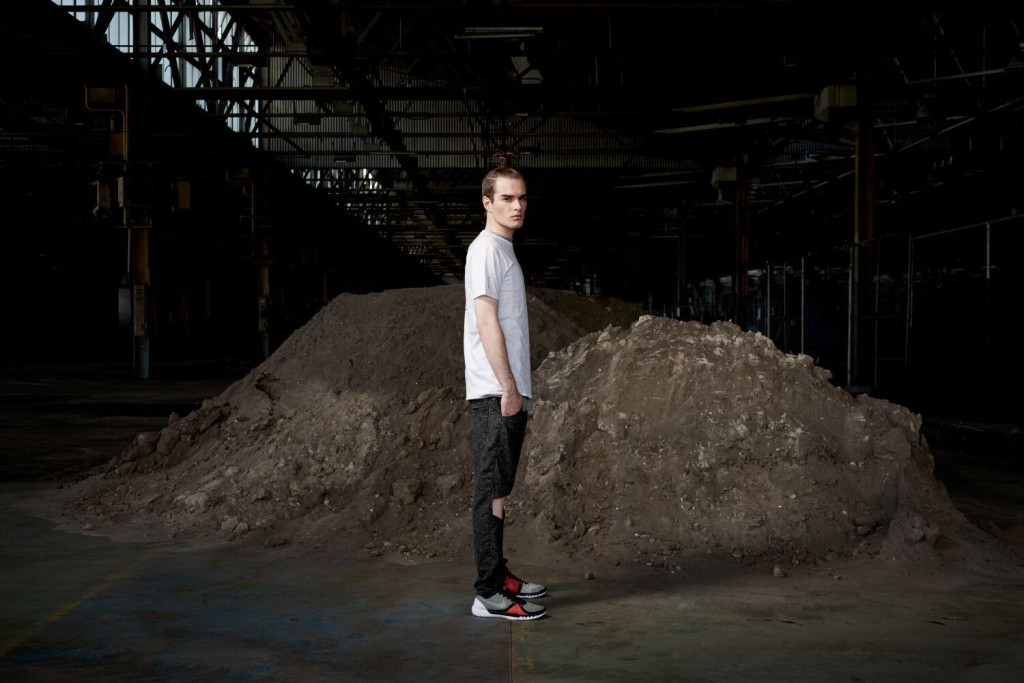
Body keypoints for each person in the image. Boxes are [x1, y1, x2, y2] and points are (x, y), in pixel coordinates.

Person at [463, 166, 547, 621]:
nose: (518, 206)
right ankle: (487, 594)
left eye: (523, 198)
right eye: (508, 198)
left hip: (506, 390)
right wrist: (508, 388)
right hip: (497, 391)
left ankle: (499, 578)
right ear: (487, 202)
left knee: (499, 491)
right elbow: (486, 321)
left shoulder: (502, 250)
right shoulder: (486, 252)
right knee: (489, 492)